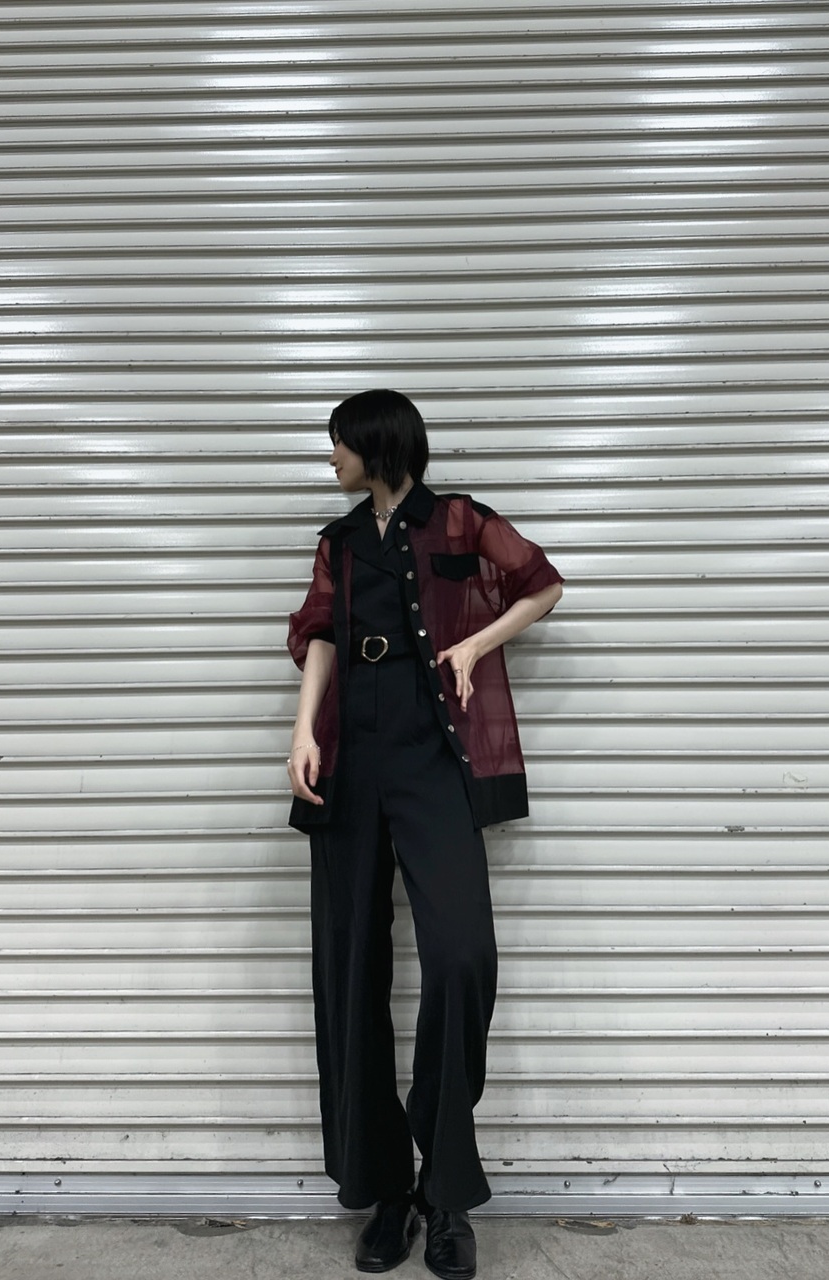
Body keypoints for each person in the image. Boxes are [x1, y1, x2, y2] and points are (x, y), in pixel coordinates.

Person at [286, 390, 563, 1278]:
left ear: (377, 443)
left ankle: (445, 1189)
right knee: (353, 965)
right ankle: (386, 1190)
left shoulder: (459, 520)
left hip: (435, 750)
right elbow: (320, 636)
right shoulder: (338, 543)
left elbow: (544, 585)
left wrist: (478, 644)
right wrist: (302, 731)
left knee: (459, 956)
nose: (331, 456)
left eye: (339, 442)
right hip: (351, 751)